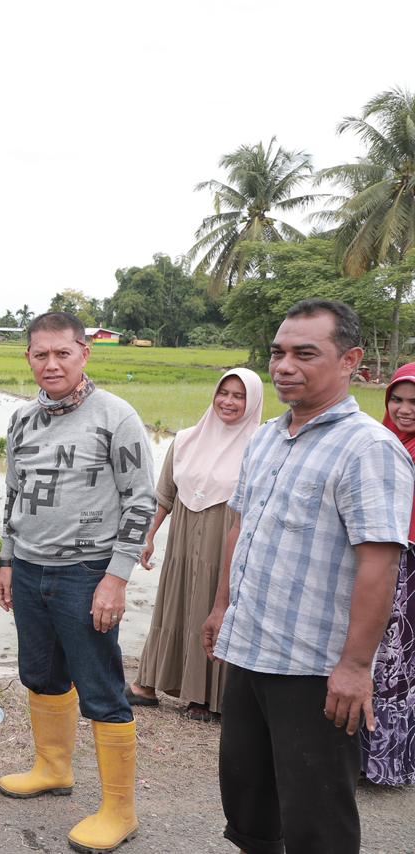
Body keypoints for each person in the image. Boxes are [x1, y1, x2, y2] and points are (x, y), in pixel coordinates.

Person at [201, 300, 413, 854]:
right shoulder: (268, 437)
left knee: (316, 813)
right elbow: (240, 528)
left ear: (351, 362)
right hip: (250, 649)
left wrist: (355, 667)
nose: (284, 366)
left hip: (314, 668)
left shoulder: (370, 449)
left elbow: (380, 562)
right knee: (248, 800)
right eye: (277, 352)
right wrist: (223, 608)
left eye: (304, 353)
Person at [0, 311, 156, 853]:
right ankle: (53, 767)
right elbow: (14, 496)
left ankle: (119, 810)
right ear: (29, 359)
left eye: (63, 352)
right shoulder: (21, 420)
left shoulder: (116, 416)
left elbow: (141, 501)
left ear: (85, 353)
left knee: (102, 688)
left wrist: (116, 577)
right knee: (40, 674)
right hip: (32, 567)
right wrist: (7, 561)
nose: (51, 363)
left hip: (87, 571)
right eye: (41, 354)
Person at [127, 368, 264, 722]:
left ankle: (206, 696)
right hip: (184, 540)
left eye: (239, 396)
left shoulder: (261, 446)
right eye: (224, 393)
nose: (228, 402)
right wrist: (149, 536)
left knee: (213, 607)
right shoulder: (187, 438)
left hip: (228, 540)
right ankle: (149, 682)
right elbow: (164, 495)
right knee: (174, 604)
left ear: (253, 402)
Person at [362, 362, 415, 786]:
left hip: (410, 568)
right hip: (379, 561)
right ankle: (361, 755)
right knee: (370, 657)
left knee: (399, 665)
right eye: (396, 399)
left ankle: (388, 761)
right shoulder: (379, 444)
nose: (404, 409)